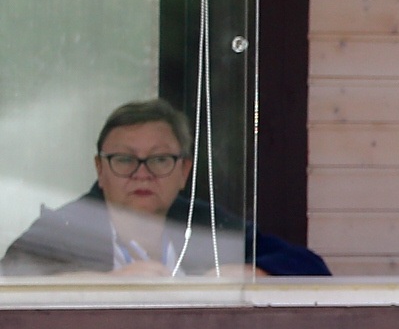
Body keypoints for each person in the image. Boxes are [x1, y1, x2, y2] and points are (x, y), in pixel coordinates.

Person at [2, 98, 329, 278]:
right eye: (125, 160)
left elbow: (312, 268)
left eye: (159, 160)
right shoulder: (66, 227)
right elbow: (11, 283)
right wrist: (106, 286)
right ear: (100, 170)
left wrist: (252, 273)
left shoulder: (207, 225)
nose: (142, 174)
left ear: (184, 170)